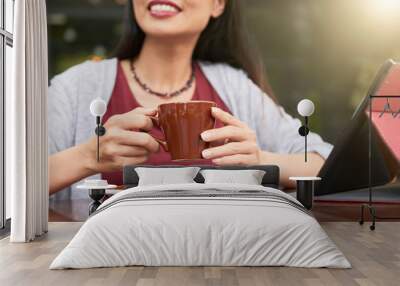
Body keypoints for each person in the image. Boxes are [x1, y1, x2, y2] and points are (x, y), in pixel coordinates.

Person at [49, 0, 332, 195]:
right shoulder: (76, 87)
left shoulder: (235, 88)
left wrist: (259, 159)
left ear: (218, 4)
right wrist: (87, 156)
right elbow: (9, 183)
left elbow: (324, 163)